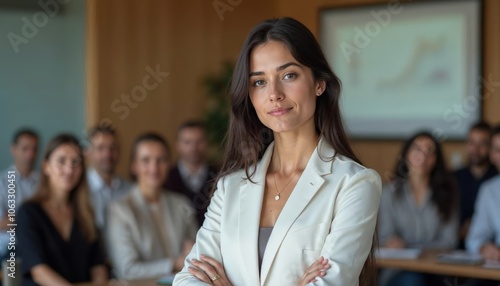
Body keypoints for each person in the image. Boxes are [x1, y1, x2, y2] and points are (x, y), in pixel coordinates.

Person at [173, 17, 382, 286]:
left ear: (319, 84)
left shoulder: (354, 184)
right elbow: (188, 279)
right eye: (259, 82)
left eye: (288, 75)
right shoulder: (230, 186)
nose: (274, 93)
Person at [17, 134, 108, 286]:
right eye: (61, 161)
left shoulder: (85, 213)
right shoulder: (28, 213)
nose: (69, 169)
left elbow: (98, 266)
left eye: (75, 162)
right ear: (46, 166)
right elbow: (39, 272)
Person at [106, 133, 198, 280]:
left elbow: (197, 255)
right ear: (134, 166)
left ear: (169, 164)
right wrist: (175, 263)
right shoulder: (119, 210)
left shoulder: (182, 203)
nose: (154, 168)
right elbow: (127, 269)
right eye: (145, 160)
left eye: (161, 160)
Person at [378, 131, 459, 286]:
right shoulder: (389, 192)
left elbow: (449, 241)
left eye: (429, 151)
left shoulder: (449, 193)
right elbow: (385, 236)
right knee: (412, 281)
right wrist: (391, 242)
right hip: (399, 270)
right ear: (406, 154)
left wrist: (407, 246)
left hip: (438, 271)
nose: (423, 155)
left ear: (436, 159)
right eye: (417, 149)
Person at [164, 120, 218, 226]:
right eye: (187, 142)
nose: (193, 148)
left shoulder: (219, 176)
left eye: (199, 141)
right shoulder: (166, 178)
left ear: (207, 143)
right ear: (178, 145)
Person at [454, 122, 498, 248]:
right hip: (458, 245)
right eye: (471, 143)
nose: (475, 149)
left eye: (482, 144)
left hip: (492, 248)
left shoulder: (495, 179)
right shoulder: (453, 178)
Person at [466, 126, 500, 286]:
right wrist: (484, 247)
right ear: (491, 155)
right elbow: (475, 237)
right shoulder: (489, 189)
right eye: (498, 150)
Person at [0, 129, 39, 259]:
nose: (30, 154)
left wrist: (15, 218)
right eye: (25, 149)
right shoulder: (2, 182)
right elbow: (2, 223)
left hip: (39, 246)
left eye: (34, 149)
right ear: (13, 150)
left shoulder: (44, 182)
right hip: (11, 249)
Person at [85, 125, 131, 230]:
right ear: (88, 152)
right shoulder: (80, 189)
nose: (107, 154)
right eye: (100, 148)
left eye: (112, 148)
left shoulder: (130, 190)